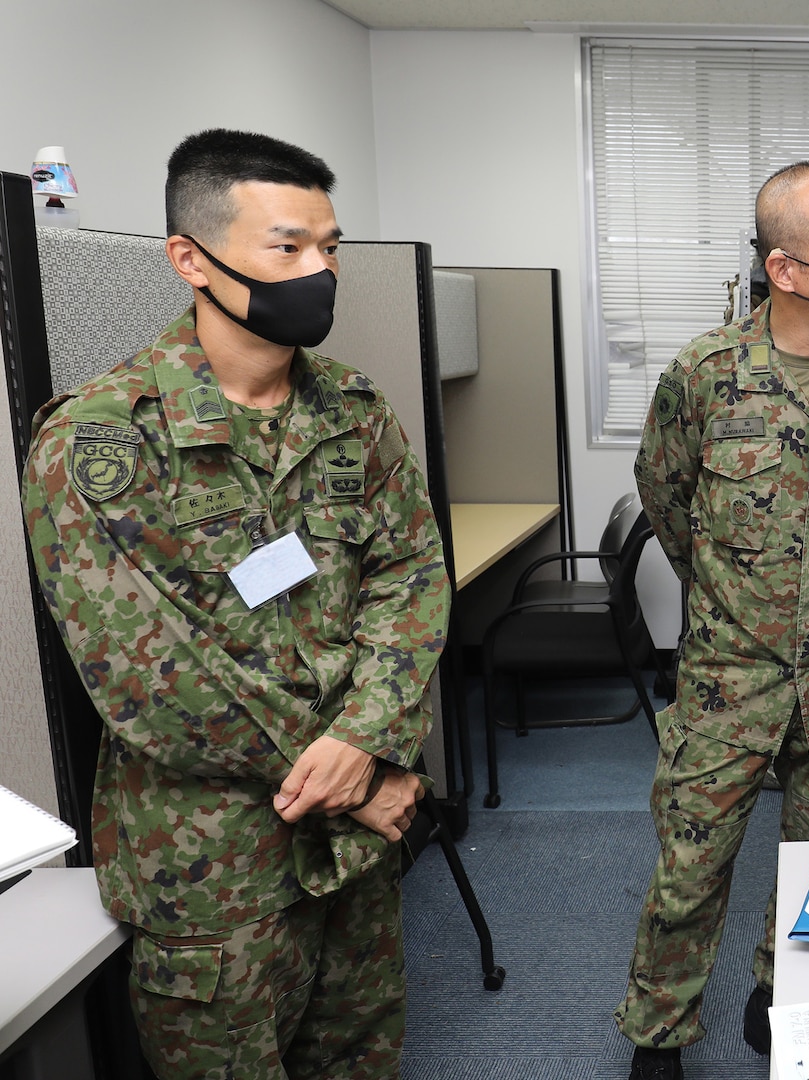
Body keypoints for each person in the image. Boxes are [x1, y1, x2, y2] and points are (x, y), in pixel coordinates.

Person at [21, 129, 448, 1079]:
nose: (321, 271)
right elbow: (148, 680)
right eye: (288, 247)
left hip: (354, 857)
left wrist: (370, 738)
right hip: (215, 868)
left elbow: (410, 577)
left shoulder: (353, 409)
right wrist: (364, 783)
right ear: (191, 260)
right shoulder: (99, 439)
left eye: (331, 247)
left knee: (362, 1059)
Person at [621, 161, 809, 1080]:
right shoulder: (706, 376)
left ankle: (779, 989)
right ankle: (658, 1033)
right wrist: (736, 598)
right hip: (729, 676)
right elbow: (666, 499)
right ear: (785, 269)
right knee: (691, 868)